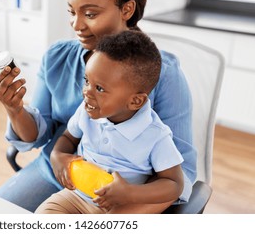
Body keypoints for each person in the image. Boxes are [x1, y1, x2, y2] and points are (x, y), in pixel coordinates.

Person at [0, 0, 196, 213]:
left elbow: (182, 175)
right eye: (71, 12)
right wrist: (15, 109)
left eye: (90, 13)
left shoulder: (164, 75)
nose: (76, 25)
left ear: (127, 9)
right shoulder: (57, 57)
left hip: (121, 194)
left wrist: (121, 210)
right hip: (58, 173)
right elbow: (39, 136)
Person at [35, 30, 184, 214]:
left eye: (99, 88)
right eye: (86, 81)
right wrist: (57, 155)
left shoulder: (155, 135)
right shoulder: (86, 110)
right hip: (76, 197)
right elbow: (68, 137)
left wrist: (131, 193)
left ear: (135, 101)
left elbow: (174, 184)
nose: (87, 92)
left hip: (121, 207)